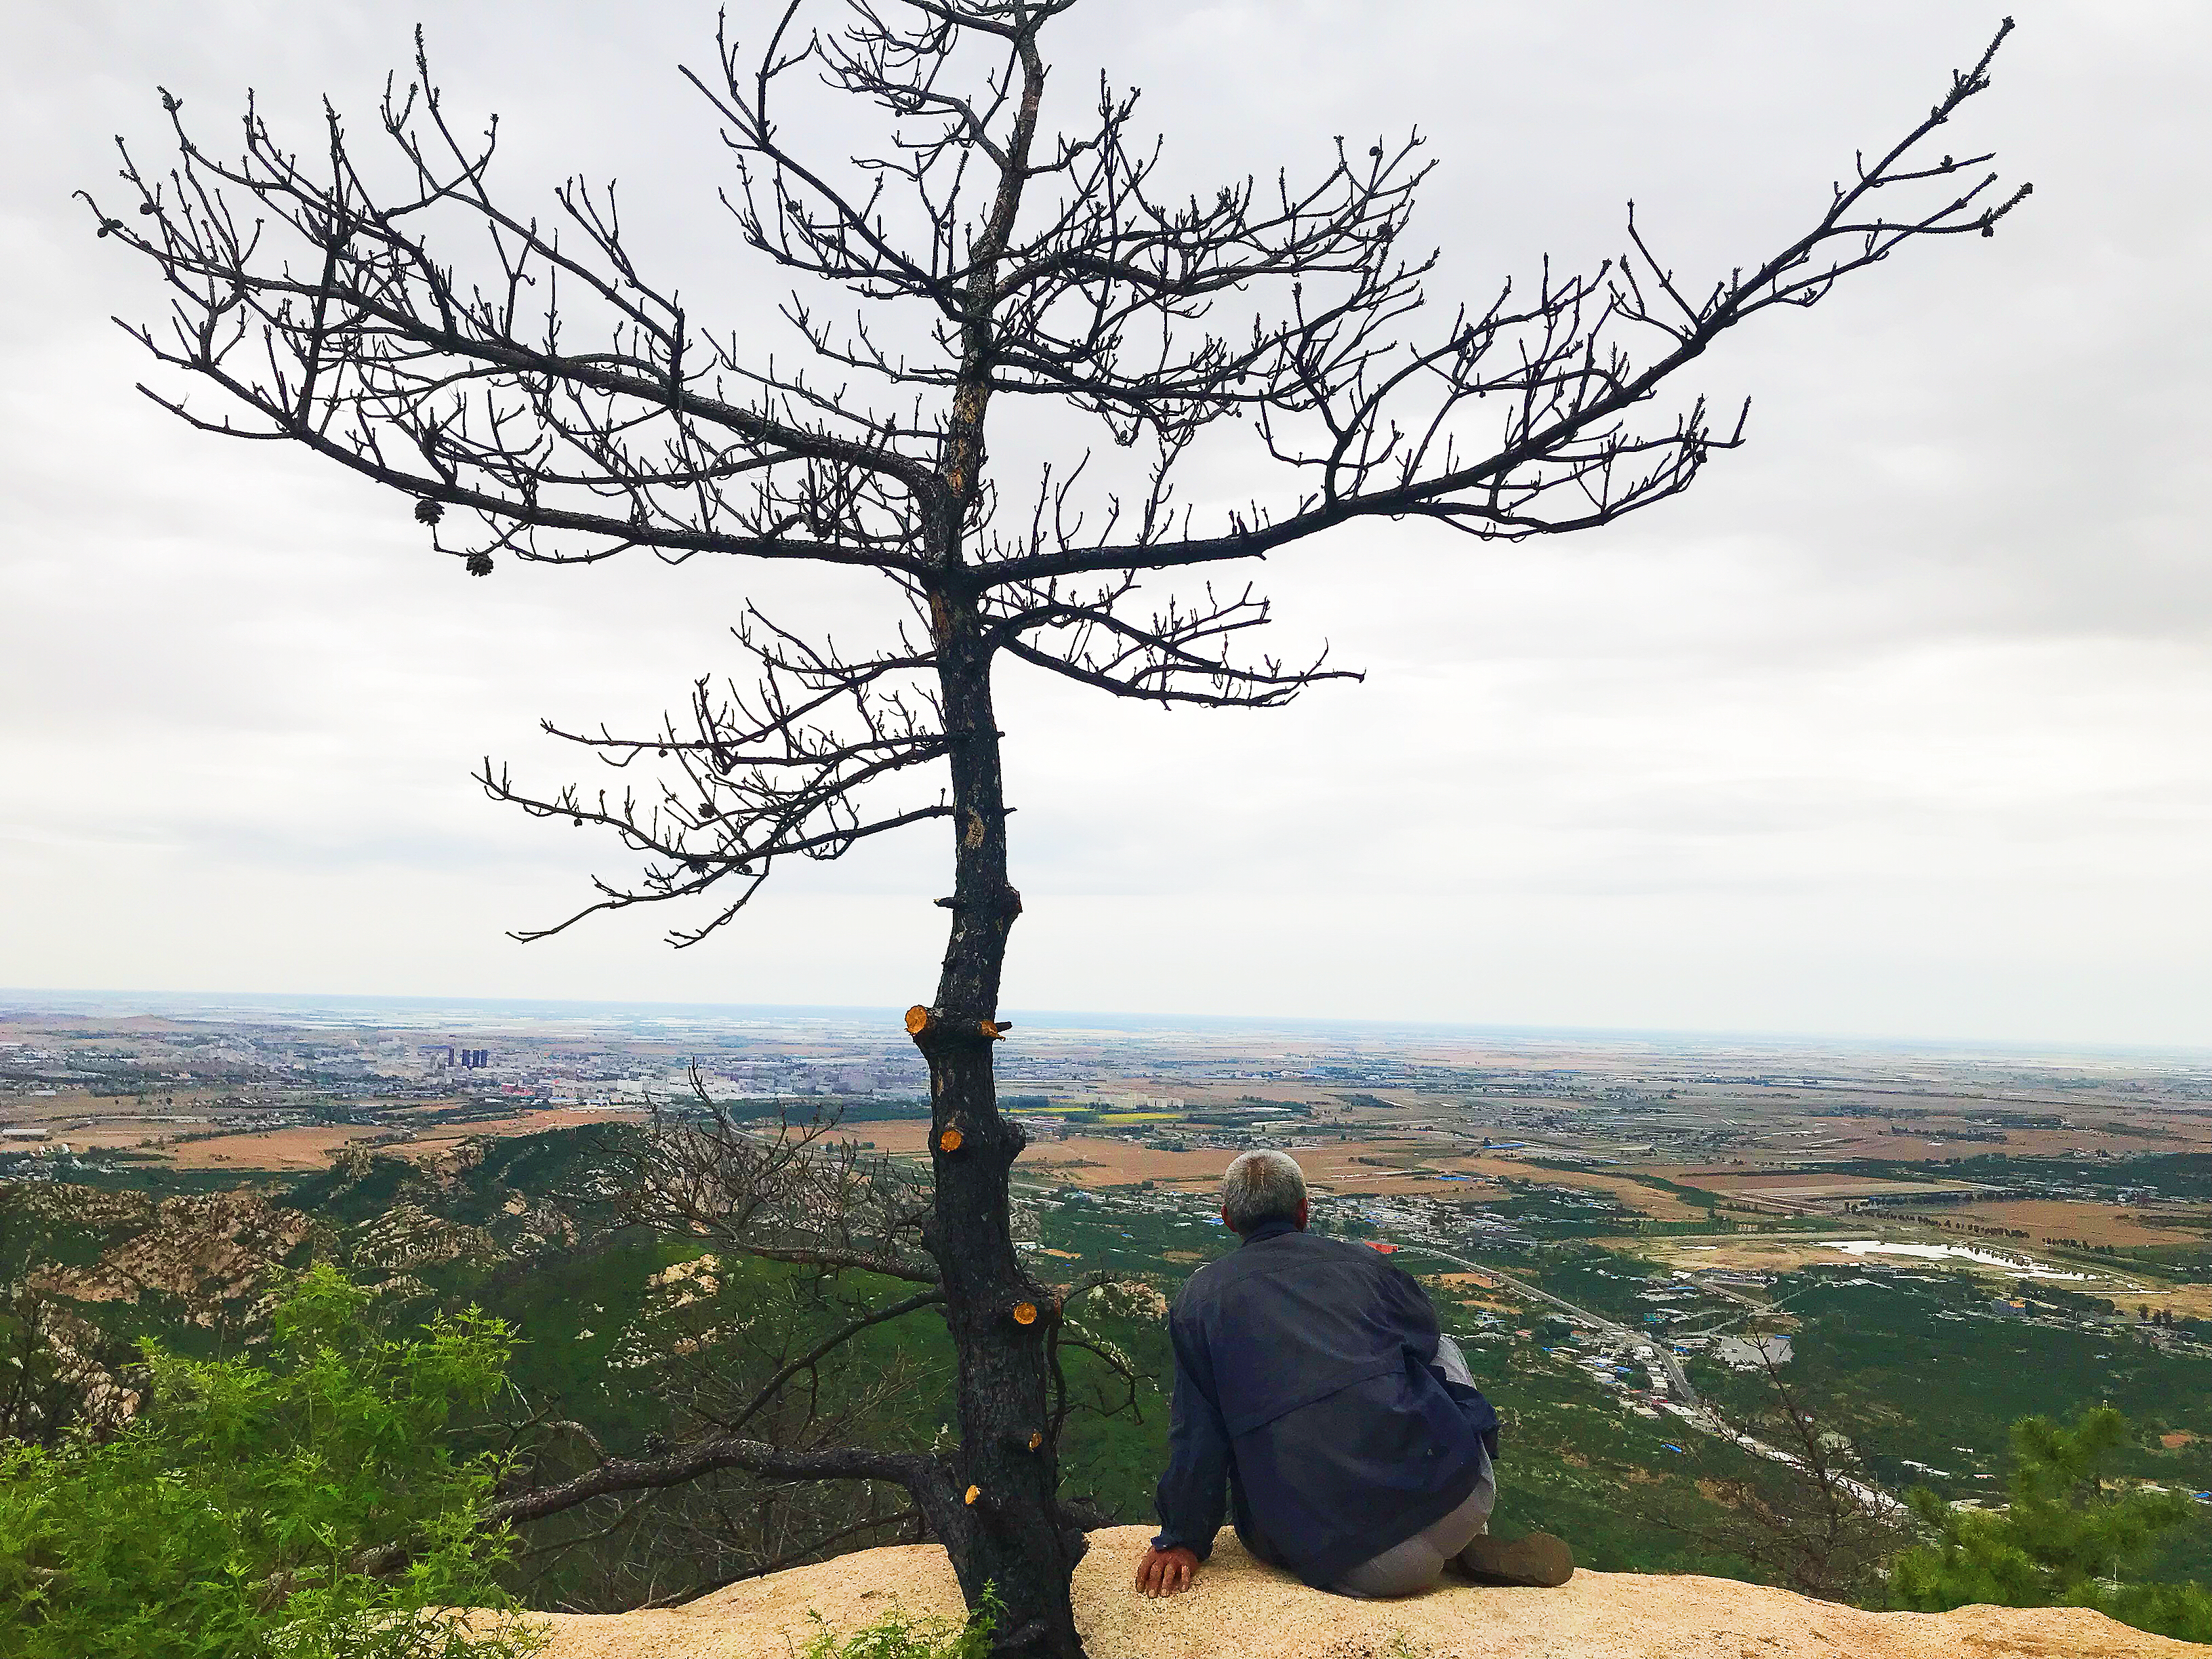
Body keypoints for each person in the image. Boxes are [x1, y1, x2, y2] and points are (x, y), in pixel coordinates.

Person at [1134, 1150, 1572, 1600]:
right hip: (1456, 1502)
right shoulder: (1365, 1264)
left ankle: (1431, 1547)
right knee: (1440, 1347)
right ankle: (1469, 1541)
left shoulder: (1200, 1303)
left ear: (1228, 1219)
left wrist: (1182, 1539)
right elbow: (1424, 1338)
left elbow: (1197, 1435)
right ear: (1304, 1211)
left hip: (1346, 1559)